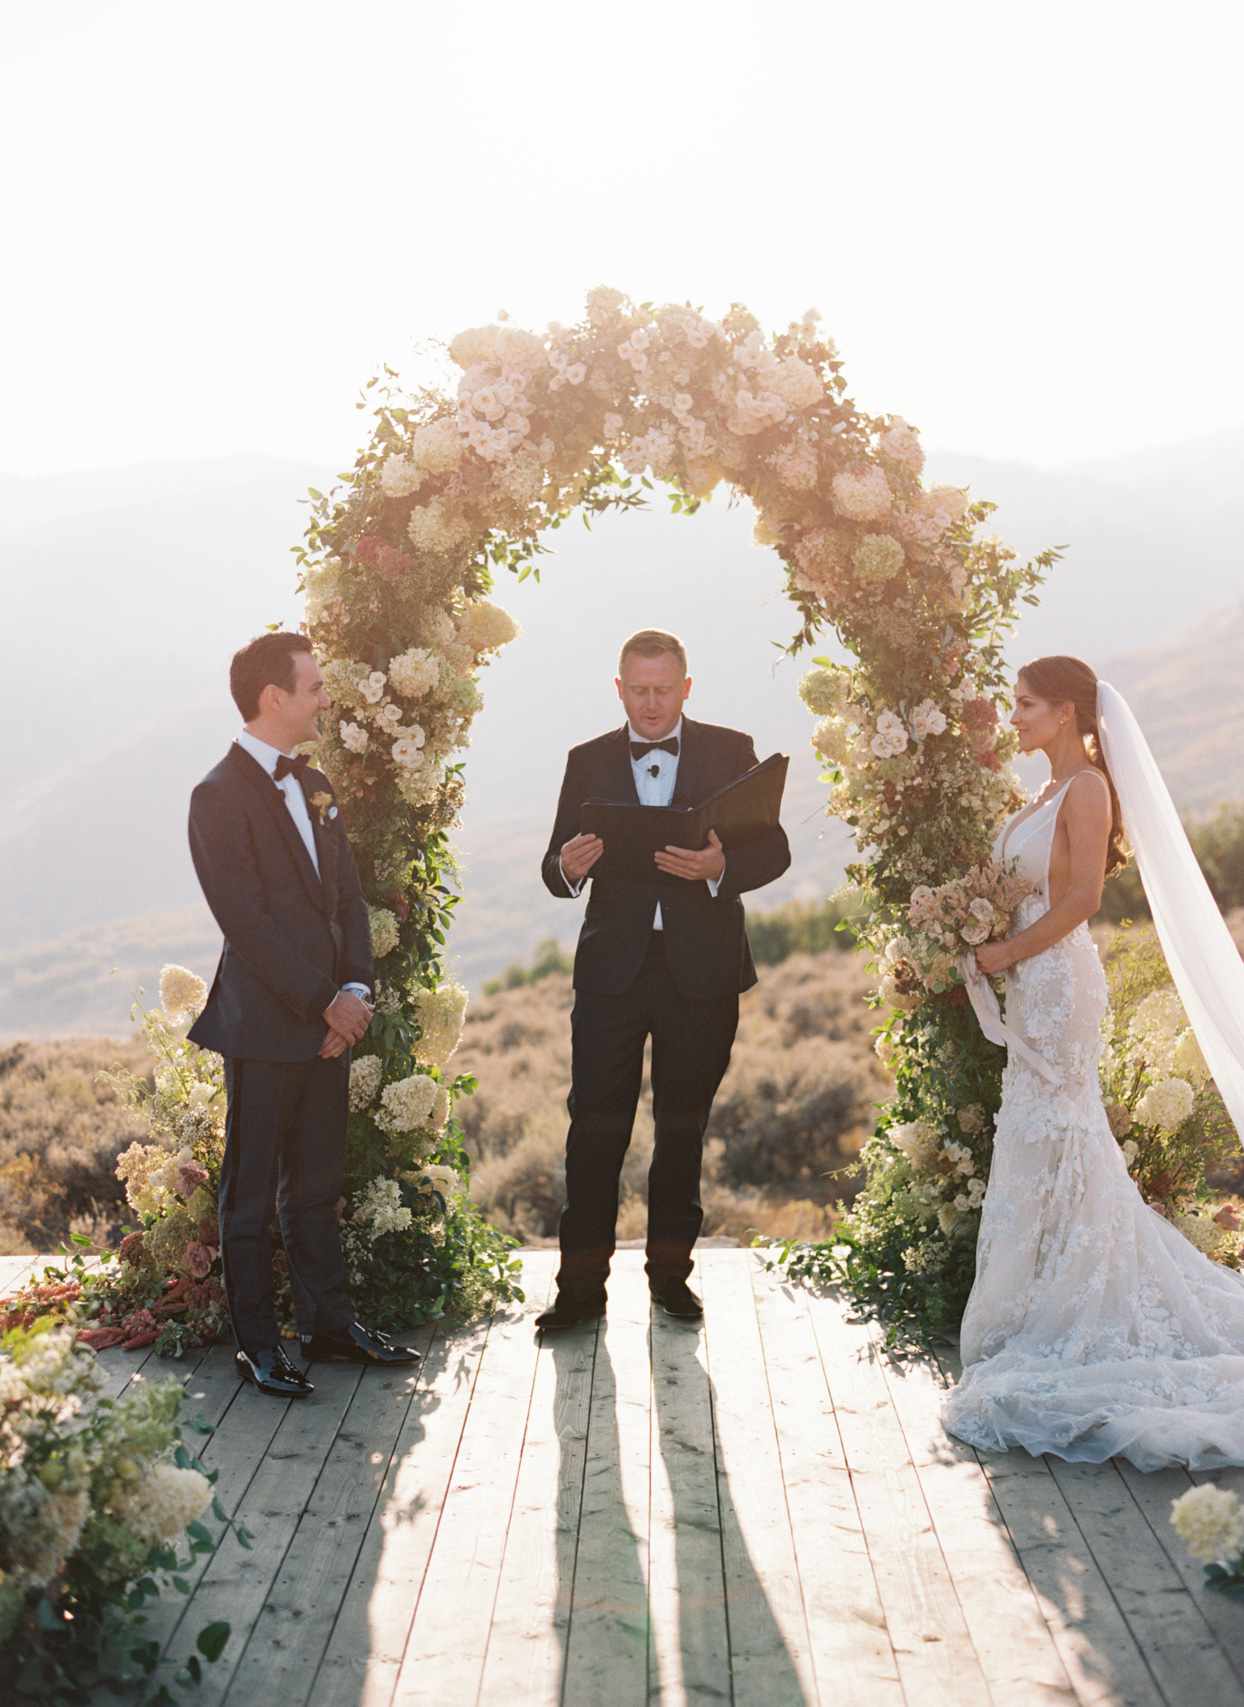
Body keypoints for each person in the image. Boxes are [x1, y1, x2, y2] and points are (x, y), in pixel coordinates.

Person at [945, 654, 1244, 1469]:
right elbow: (1021, 883)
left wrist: (1004, 948)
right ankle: (1042, 1298)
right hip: (1025, 978)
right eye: (1014, 704)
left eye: (1028, 704)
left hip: (1057, 981)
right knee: (1041, 1140)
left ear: (1072, 712)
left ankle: (1081, 1306)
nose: (1016, 717)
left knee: (1062, 1130)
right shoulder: (1037, 792)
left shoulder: (1085, 789)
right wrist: (970, 929)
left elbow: (1080, 900)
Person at [536, 629, 791, 1330]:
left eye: (663, 690)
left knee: (682, 1128)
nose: (650, 705)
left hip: (700, 973)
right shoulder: (585, 760)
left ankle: (671, 1281)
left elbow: (773, 848)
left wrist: (721, 870)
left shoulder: (730, 750)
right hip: (612, 975)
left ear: (686, 687)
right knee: (593, 1129)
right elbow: (553, 869)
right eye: (638, 691)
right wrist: (571, 866)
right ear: (619, 689)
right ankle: (580, 1289)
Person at [188, 631, 421, 1398]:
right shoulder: (217, 796)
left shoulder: (316, 781)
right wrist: (321, 1000)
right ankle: (257, 1343)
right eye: (314, 686)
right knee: (251, 1190)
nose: (325, 697)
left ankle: (328, 1324)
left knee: (318, 1184)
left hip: (331, 1019)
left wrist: (354, 992)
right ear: (273, 698)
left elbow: (347, 896)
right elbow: (246, 921)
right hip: (263, 1024)